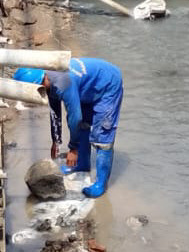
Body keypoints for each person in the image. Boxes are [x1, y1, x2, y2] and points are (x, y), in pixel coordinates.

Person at [13, 57, 123, 198]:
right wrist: (56, 140)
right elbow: (55, 111)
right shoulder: (48, 80)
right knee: (84, 125)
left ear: (42, 80)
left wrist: (73, 149)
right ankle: (83, 164)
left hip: (108, 84)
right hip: (88, 86)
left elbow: (74, 117)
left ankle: (101, 184)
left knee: (103, 136)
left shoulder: (62, 83)